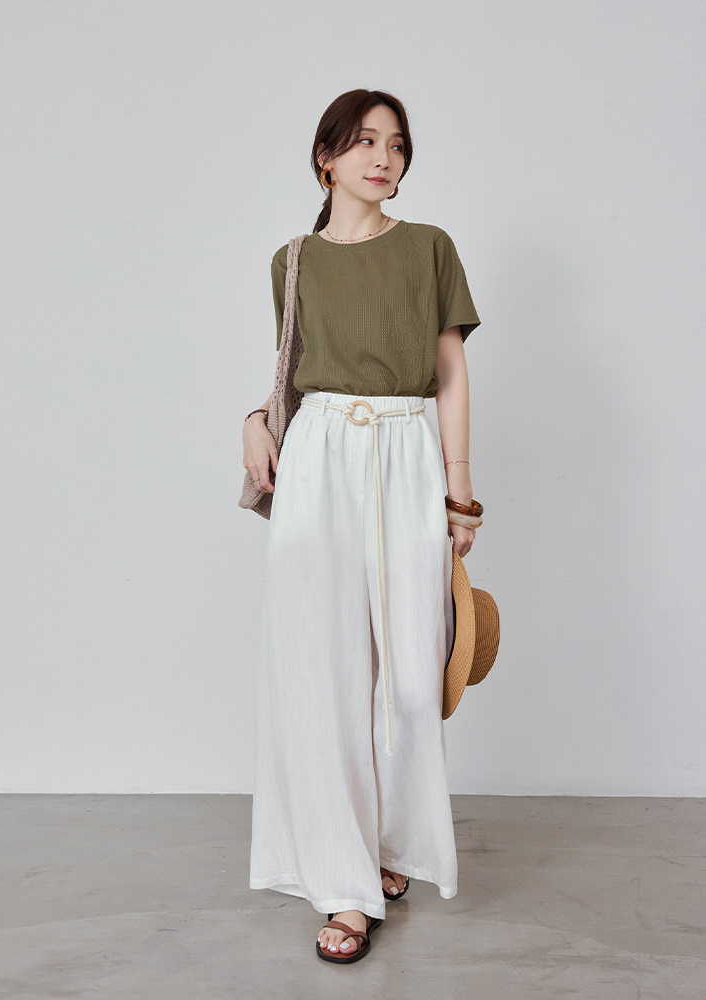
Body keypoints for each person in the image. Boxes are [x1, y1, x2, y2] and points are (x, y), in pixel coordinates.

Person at [242, 89, 482, 964]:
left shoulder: (429, 248)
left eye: (397, 145)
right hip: (318, 461)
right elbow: (294, 372)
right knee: (323, 669)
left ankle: (390, 844)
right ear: (327, 158)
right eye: (365, 142)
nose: (384, 158)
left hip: (407, 452)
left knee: (413, 677)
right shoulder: (293, 260)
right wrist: (253, 420)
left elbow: (448, 372)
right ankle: (345, 887)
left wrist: (460, 490)